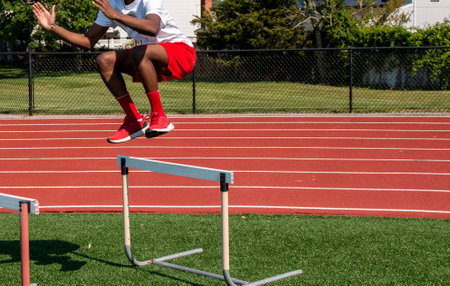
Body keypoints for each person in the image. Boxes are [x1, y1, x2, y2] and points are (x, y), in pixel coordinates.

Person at [32, 0, 196, 143]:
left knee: (140, 51)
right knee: (104, 60)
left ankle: (159, 116)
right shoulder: (112, 3)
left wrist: (115, 15)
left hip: (181, 54)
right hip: (149, 61)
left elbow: (153, 28)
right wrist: (53, 27)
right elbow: (88, 42)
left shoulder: (148, 0)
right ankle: (134, 120)